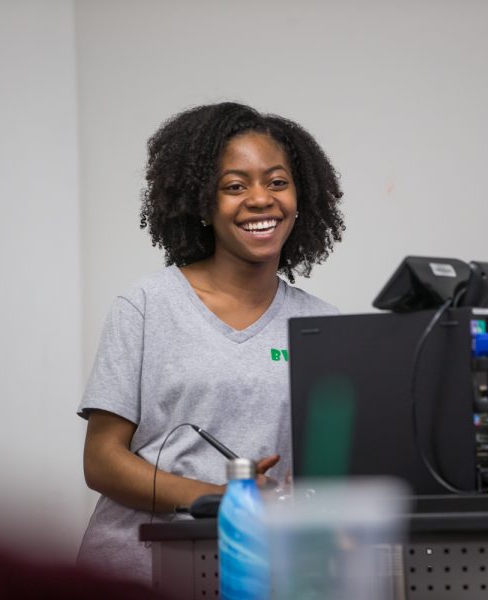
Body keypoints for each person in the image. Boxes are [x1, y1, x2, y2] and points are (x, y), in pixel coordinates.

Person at [77, 102, 345, 581]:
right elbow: (101, 462)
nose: (261, 199)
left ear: (300, 197)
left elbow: (333, 473)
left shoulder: (323, 324)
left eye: (277, 182)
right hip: (140, 572)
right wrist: (223, 499)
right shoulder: (146, 306)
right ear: (203, 204)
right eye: (234, 186)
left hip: (264, 572)